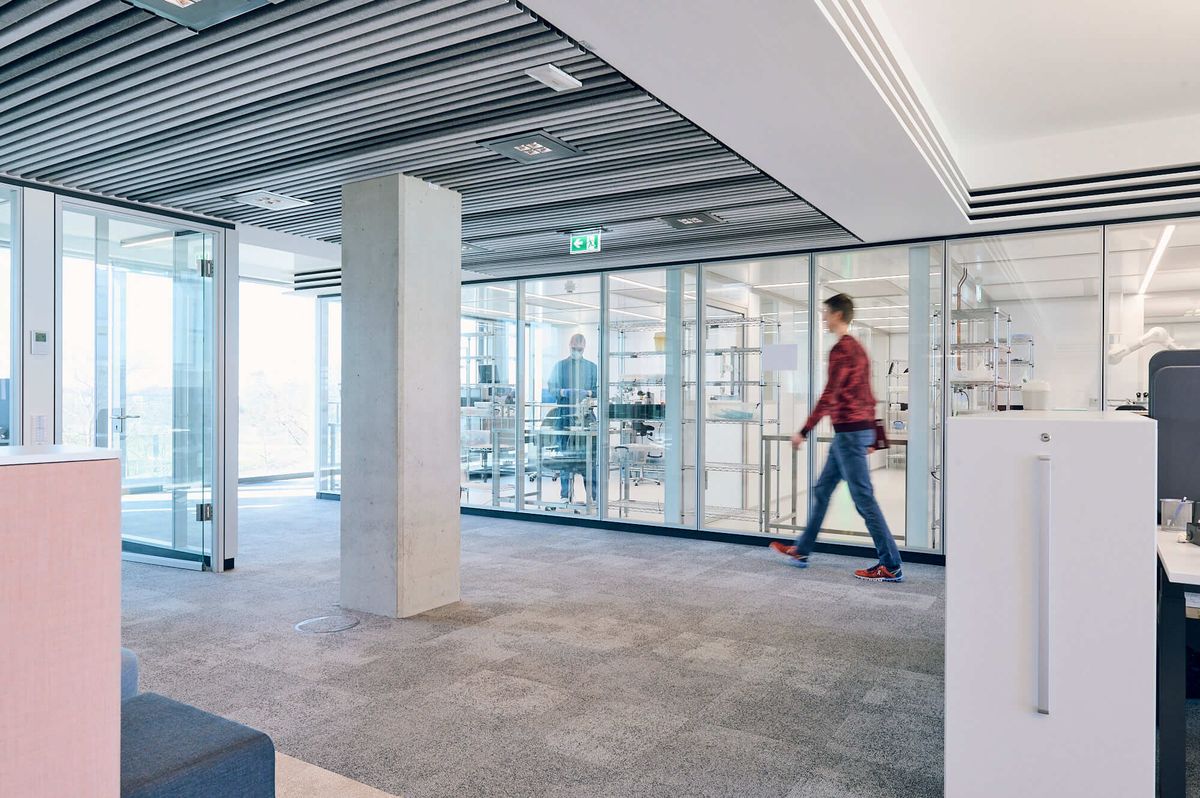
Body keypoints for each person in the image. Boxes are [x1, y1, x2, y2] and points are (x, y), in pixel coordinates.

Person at [770, 293, 904, 582]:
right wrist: (870, 433)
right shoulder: (858, 349)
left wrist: (804, 430)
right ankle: (802, 550)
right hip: (851, 434)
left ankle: (890, 564)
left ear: (837, 315)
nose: (823, 317)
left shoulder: (841, 350)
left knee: (863, 499)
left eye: (826, 313)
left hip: (849, 435)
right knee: (822, 490)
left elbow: (830, 394)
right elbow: (867, 395)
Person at [546, 333, 598, 503]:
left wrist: (588, 393)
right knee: (566, 458)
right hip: (565, 417)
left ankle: (595, 497)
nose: (577, 351)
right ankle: (565, 495)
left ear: (584, 348)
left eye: (580, 349)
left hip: (586, 417)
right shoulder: (560, 366)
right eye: (574, 348)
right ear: (569, 346)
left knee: (589, 459)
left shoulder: (592, 367)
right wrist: (563, 392)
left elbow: (598, 390)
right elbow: (552, 388)